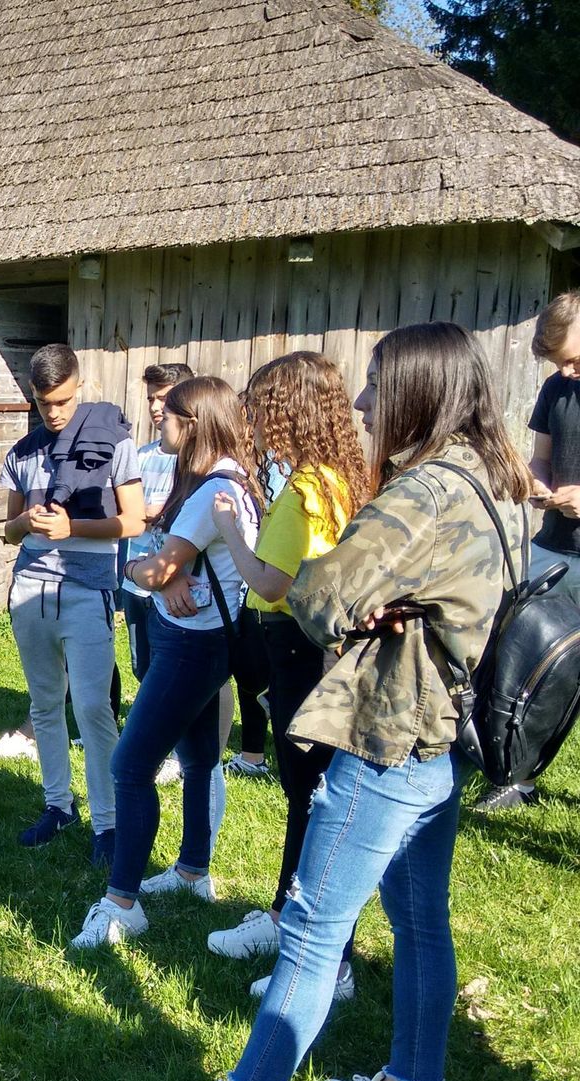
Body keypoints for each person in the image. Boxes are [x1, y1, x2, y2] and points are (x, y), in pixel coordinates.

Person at [133, 323, 532, 1081]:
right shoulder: (487, 480)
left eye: (380, 383)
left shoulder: (422, 492)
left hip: (388, 732)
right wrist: (384, 597)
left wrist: (359, 595)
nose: (363, 401)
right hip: (441, 739)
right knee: (422, 918)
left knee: (314, 925)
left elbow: (313, 598)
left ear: (420, 390)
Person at [201, 353, 372, 1002]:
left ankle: (327, 960)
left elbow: (274, 580)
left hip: (301, 652)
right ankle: (285, 918)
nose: (256, 420)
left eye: (265, 407)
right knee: (306, 799)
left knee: (312, 800)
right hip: (299, 651)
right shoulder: (330, 479)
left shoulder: (309, 488)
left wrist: (230, 531)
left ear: (293, 411)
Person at [71, 376, 261, 947]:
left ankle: (121, 903)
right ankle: (192, 871)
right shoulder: (222, 481)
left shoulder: (209, 492)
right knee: (201, 759)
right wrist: (169, 573)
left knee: (130, 767)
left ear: (195, 423)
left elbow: (154, 571)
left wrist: (139, 574)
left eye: (170, 415)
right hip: (205, 639)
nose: (160, 420)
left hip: (190, 645)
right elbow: (177, 563)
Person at [1, 345, 145, 863]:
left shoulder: (114, 443)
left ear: (79, 386)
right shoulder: (20, 452)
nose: (54, 412)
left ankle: (106, 824)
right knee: (44, 705)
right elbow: (7, 530)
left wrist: (72, 527)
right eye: (44, 404)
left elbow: (135, 521)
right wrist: (27, 523)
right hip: (31, 589)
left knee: (92, 706)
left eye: (62, 400)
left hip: (88, 590)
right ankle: (58, 805)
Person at [480, 289, 580, 808]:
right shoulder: (555, 390)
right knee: (519, 657)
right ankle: (513, 775)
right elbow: (541, 458)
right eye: (558, 363)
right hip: (554, 548)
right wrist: (537, 484)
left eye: (572, 360)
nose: (565, 373)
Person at [121, 362, 194, 786]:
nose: (155, 406)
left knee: (181, 671)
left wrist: (149, 514)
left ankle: (186, 753)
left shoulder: (196, 461)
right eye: (150, 396)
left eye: (164, 397)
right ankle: (161, 743)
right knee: (143, 665)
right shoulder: (141, 455)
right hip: (137, 581)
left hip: (177, 582)